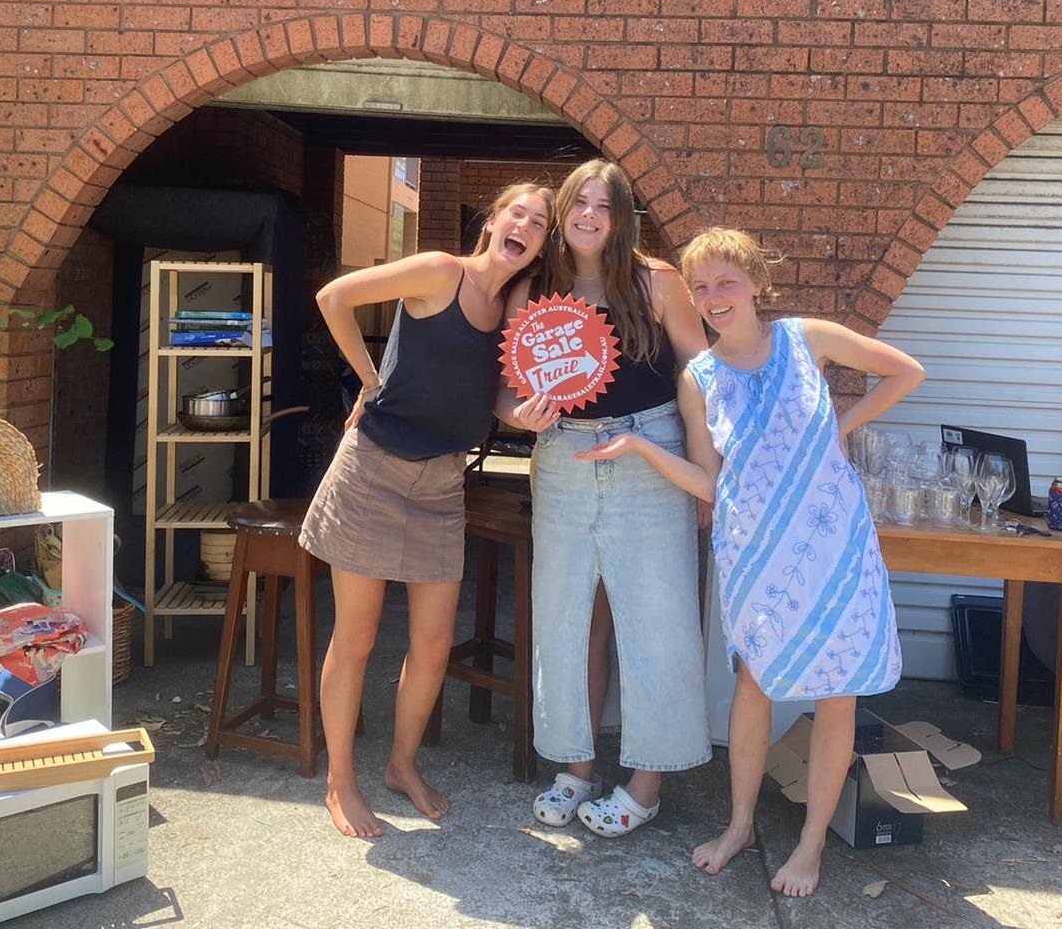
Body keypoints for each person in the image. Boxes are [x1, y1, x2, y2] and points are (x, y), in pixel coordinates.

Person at [576, 227, 925, 896]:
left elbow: (906, 371)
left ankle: (811, 844)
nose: (712, 298)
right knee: (754, 686)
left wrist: (839, 427)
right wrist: (644, 451)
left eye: (725, 283)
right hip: (753, 553)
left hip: (832, 546)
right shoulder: (698, 379)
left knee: (835, 694)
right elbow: (712, 483)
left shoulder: (807, 339)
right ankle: (739, 826)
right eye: (700, 288)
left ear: (757, 283)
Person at [300, 181, 553, 839]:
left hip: (441, 485)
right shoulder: (441, 271)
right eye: (516, 212)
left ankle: (400, 767)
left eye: (540, 222)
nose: (524, 224)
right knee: (355, 639)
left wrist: (522, 415)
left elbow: (491, 395)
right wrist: (369, 378)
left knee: (434, 645)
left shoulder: (514, 309)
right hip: (372, 472)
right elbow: (335, 297)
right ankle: (340, 781)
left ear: (540, 245)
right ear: (492, 223)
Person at [498, 158, 712, 838]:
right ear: (563, 212)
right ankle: (575, 766)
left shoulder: (656, 281)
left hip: (649, 452)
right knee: (567, 618)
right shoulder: (535, 287)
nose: (589, 215)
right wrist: (516, 417)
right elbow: (504, 390)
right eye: (579, 203)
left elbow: (700, 378)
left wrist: (705, 475)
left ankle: (647, 781)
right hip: (561, 453)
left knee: (658, 618)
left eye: (605, 205)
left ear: (622, 218)